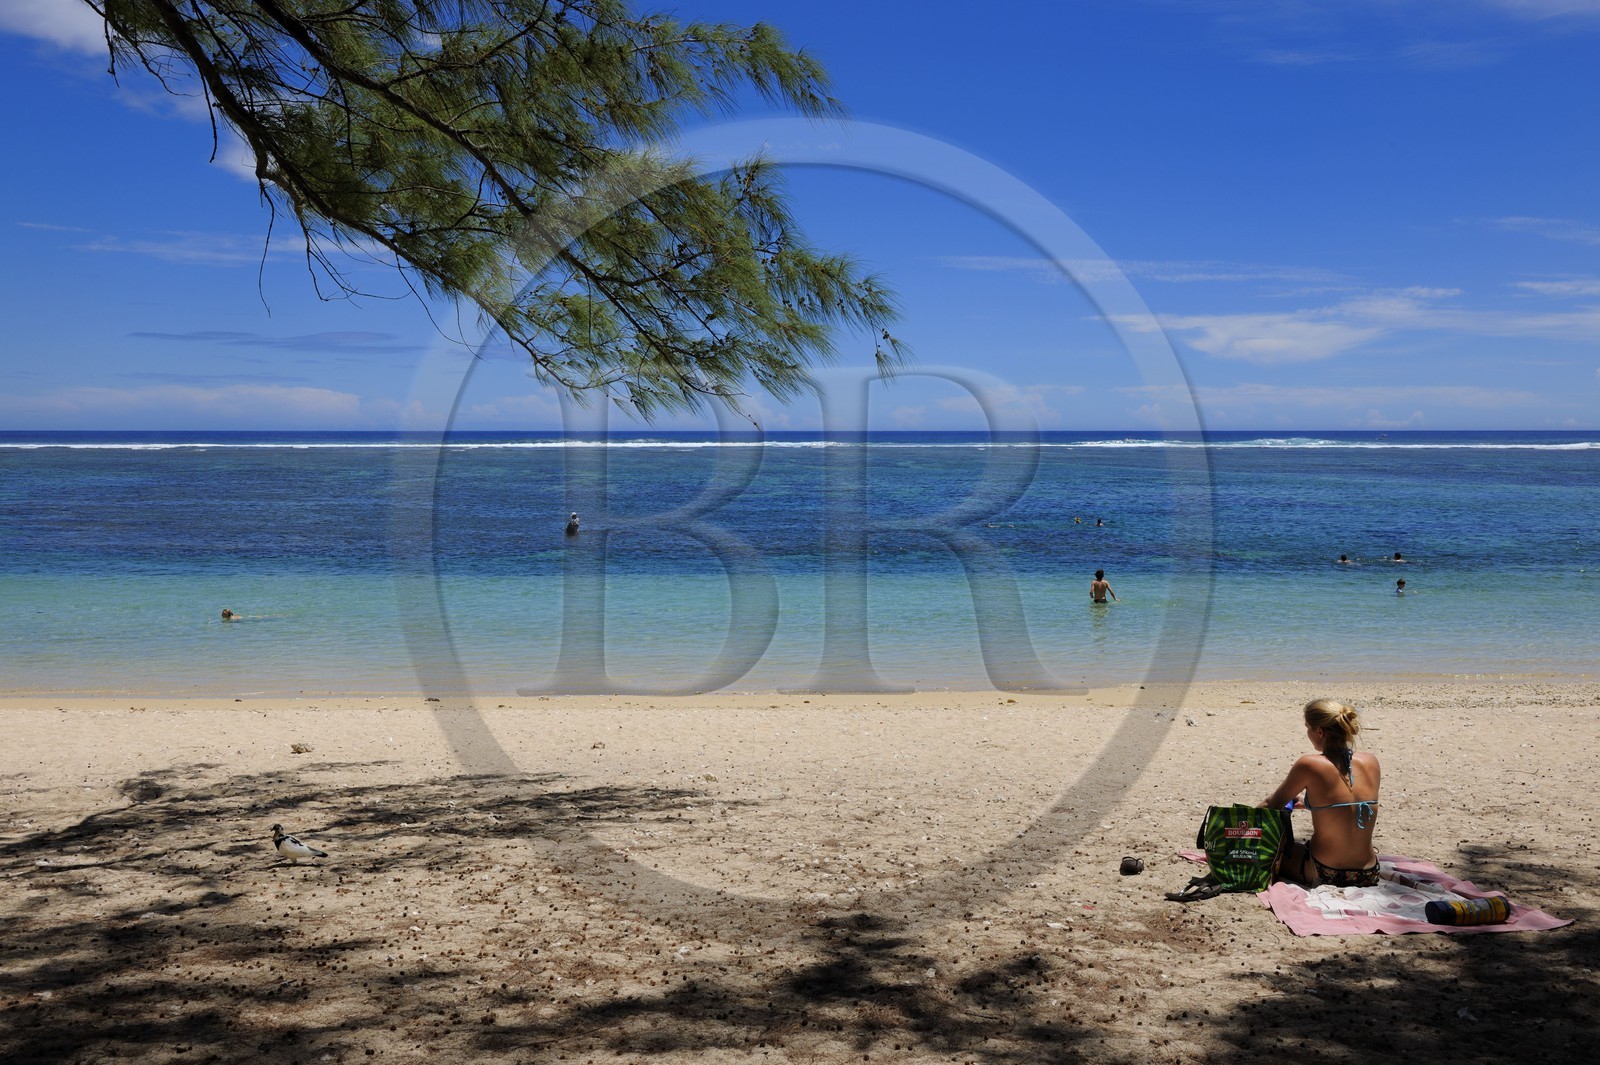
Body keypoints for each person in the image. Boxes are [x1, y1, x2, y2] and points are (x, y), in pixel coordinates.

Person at [1259, 699, 1380, 888]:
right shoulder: (1371, 761)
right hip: (1368, 873)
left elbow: (1272, 805)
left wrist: (1236, 827)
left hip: (1325, 872)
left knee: (1270, 849)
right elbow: (1348, 801)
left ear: (1320, 732)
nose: (1307, 733)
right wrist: (1309, 803)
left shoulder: (1309, 764)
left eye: (1308, 728)